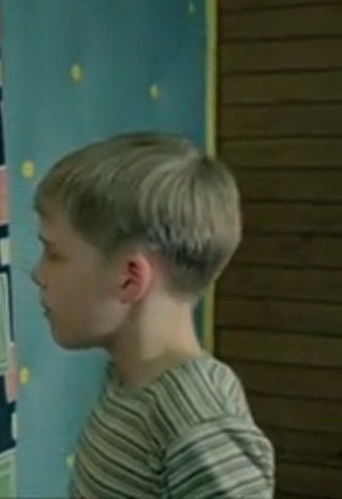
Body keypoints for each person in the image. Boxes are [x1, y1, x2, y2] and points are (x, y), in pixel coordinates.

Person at [30, 132, 275, 498]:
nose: (38, 274)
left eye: (53, 253)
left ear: (130, 278)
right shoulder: (128, 383)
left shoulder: (198, 420)